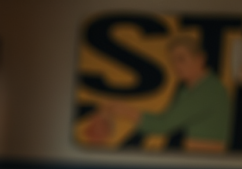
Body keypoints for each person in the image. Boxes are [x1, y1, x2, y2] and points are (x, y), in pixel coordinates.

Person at [98, 36, 232, 153]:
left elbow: (164, 124)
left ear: (200, 59)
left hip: (207, 162)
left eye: (181, 59)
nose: (176, 66)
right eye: (173, 61)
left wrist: (123, 110)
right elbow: (164, 121)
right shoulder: (187, 89)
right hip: (192, 156)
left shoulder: (209, 90)